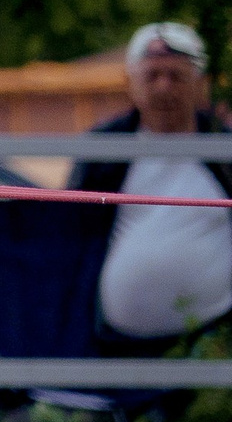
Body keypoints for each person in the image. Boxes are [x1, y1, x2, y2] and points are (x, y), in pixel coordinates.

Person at [72, 22, 232, 348]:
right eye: (152, 76)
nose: (163, 88)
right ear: (129, 82)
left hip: (211, 344)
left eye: (176, 76)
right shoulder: (103, 151)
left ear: (200, 84)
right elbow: (68, 236)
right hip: (112, 346)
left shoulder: (224, 151)